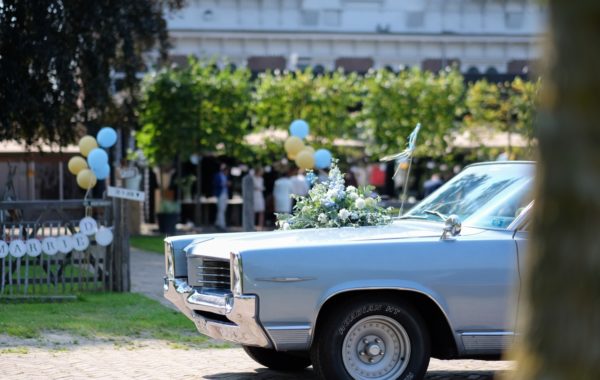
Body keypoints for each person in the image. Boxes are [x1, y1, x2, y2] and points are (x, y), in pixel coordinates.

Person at [212, 163, 229, 231]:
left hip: (225, 194)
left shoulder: (227, 176)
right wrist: (223, 184)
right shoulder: (217, 175)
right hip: (219, 194)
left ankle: (217, 223)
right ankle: (222, 225)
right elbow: (215, 184)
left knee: (222, 209)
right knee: (221, 210)